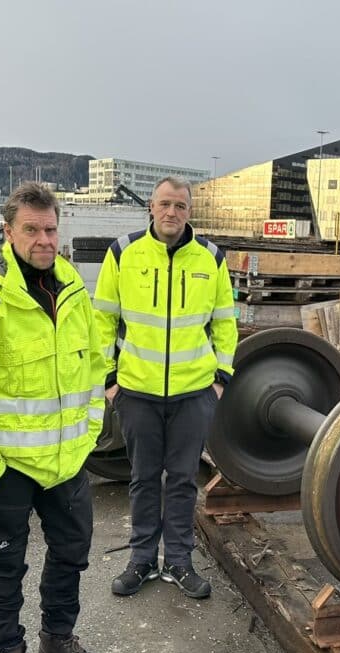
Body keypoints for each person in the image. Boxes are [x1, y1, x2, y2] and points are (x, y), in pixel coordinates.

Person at [0, 182, 111, 653]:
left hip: (68, 460)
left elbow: (94, 369)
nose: (44, 240)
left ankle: (57, 641)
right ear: (8, 232)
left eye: (50, 229)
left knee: (72, 553)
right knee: (6, 564)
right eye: (32, 230)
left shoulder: (71, 288)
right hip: (9, 467)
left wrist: (90, 431)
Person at [94, 176, 237, 600]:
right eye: (164, 204)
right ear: (151, 209)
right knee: (141, 479)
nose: (171, 212)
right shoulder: (123, 253)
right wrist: (110, 380)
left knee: (180, 481)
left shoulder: (210, 258)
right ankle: (141, 560)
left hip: (194, 395)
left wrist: (220, 381)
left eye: (180, 205)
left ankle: (179, 561)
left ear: (189, 211)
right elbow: (102, 318)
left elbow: (225, 322)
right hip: (136, 392)